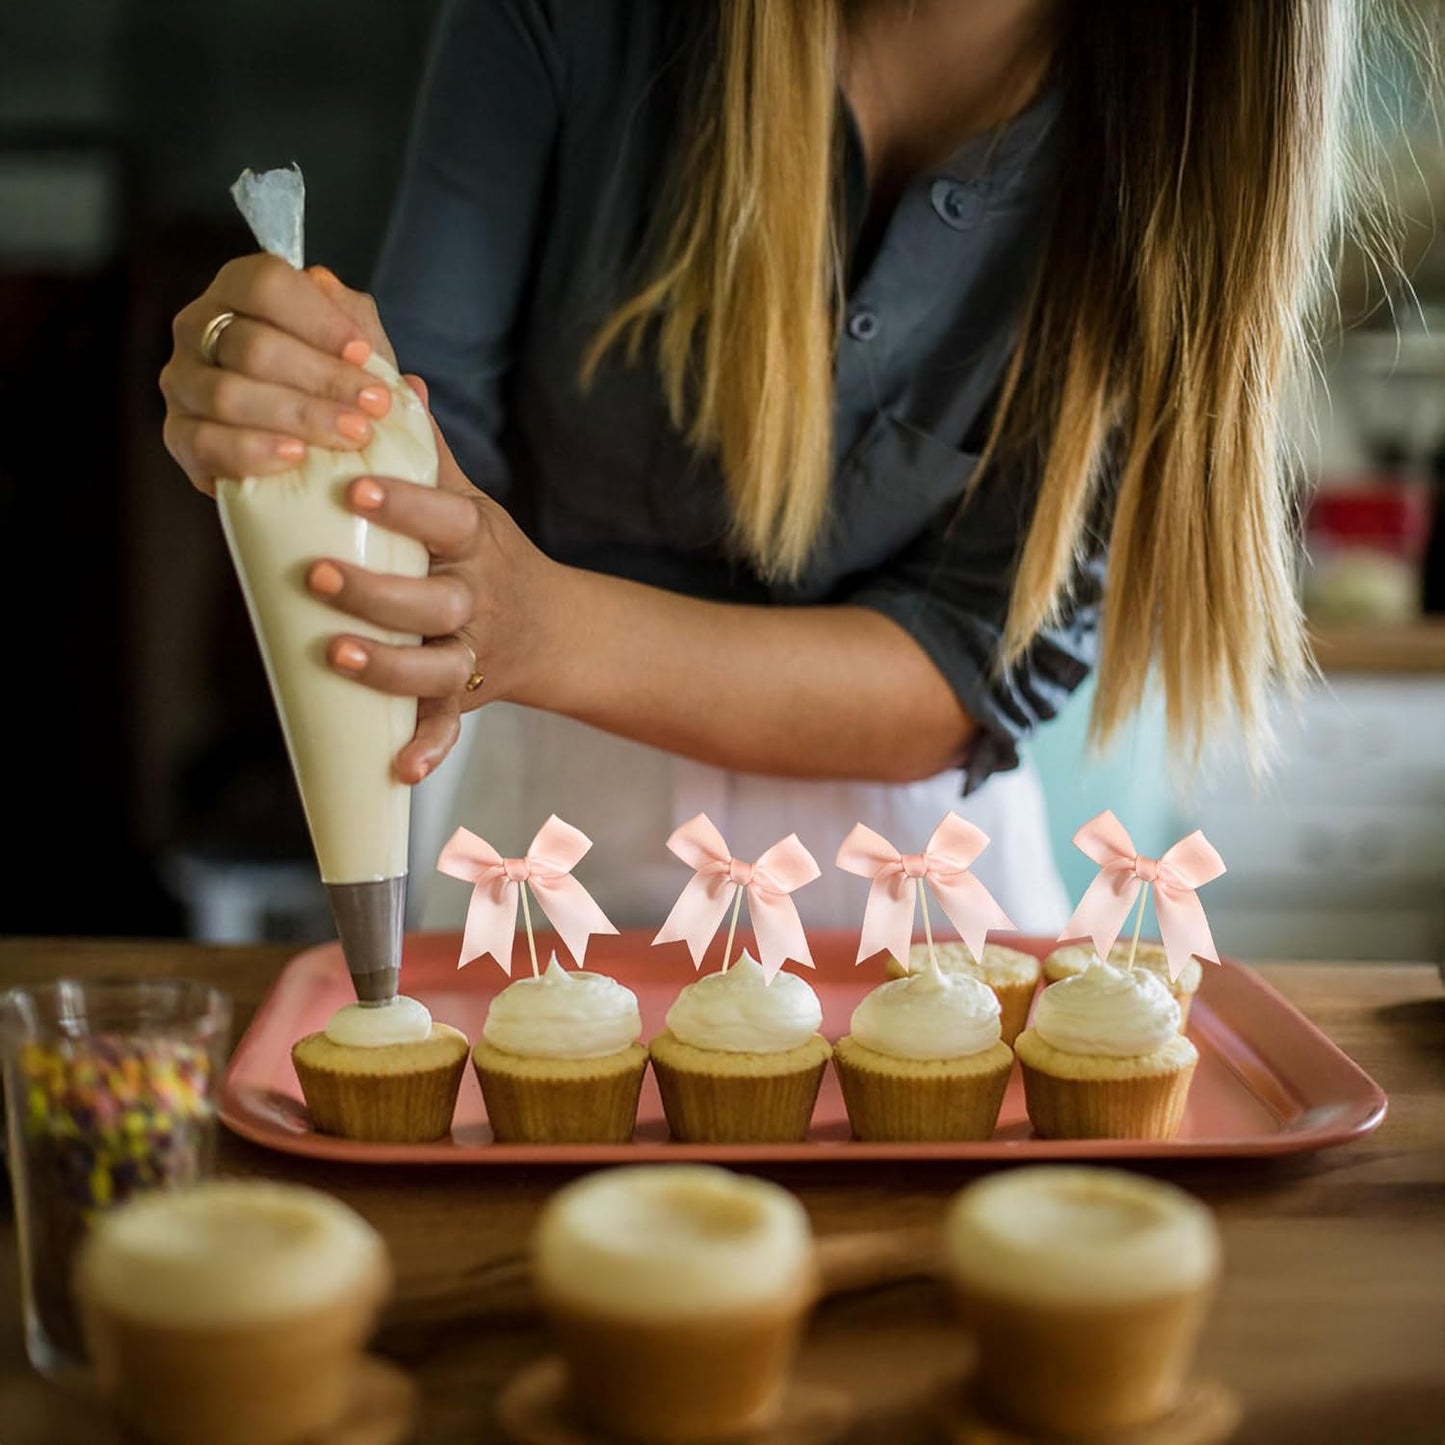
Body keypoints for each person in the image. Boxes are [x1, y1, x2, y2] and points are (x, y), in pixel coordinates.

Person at [159, 1, 1364, 932]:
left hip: (932, 906)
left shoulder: (1180, 131)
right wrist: (292, 412)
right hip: (548, 858)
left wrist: (541, 625)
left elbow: (965, 667)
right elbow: (418, 490)